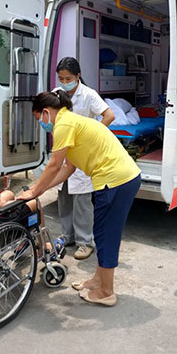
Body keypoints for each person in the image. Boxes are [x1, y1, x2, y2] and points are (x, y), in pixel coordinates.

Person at [18, 90, 141, 307]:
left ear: (46, 113)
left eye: (39, 119)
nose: (41, 124)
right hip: (119, 178)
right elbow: (67, 169)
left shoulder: (64, 125)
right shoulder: (70, 120)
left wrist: (34, 191)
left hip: (115, 181)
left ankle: (106, 292)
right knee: (102, 231)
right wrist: (42, 188)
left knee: (105, 236)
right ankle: (98, 280)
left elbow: (54, 164)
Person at [53, 57, 115, 260]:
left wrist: (92, 137)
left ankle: (84, 242)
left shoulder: (89, 95)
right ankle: (67, 235)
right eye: (61, 78)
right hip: (63, 151)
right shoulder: (56, 94)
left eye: (68, 78)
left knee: (82, 201)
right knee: (64, 197)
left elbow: (109, 115)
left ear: (78, 76)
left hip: (81, 154)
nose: (64, 82)